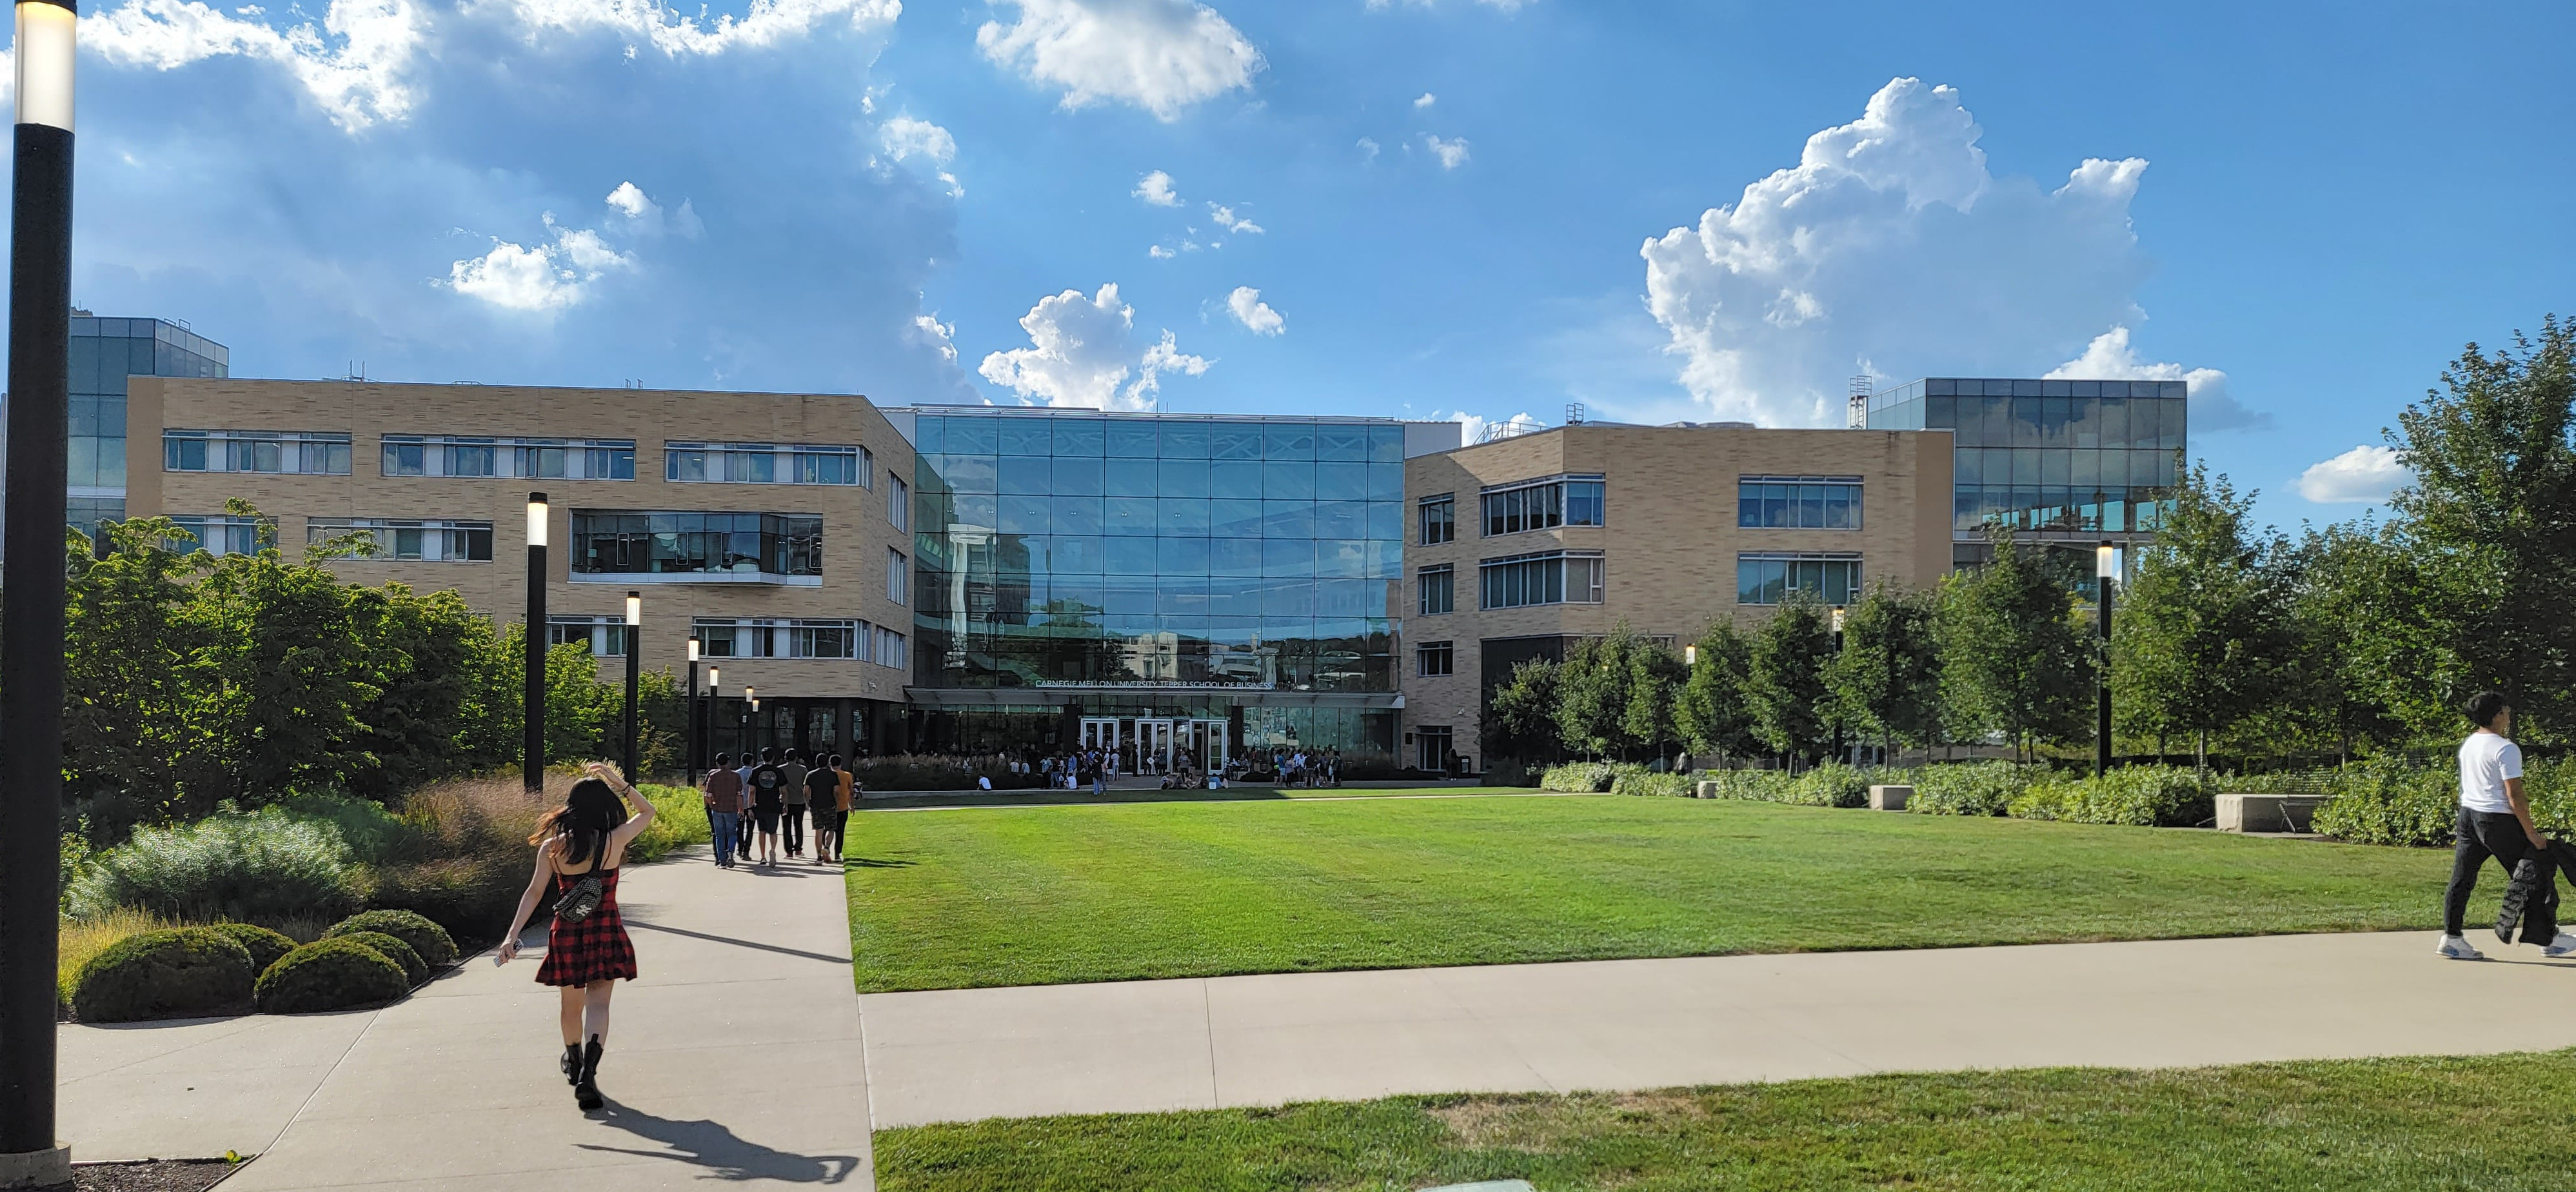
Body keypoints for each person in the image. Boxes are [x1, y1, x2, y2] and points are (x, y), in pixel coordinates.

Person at [499, 762, 656, 1111]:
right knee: (599, 1005)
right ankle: (589, 1074)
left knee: (571, 1007)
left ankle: (573, 1061)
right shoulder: (615, 840)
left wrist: (512, 936)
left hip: (569, 933)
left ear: (572, 806)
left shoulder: (553, 848)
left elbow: (535, 892)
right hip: (606, 929)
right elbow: (648, 812)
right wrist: (620, 782)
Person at [2439, 691, 2576, 959]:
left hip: (2469, 816)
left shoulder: (2471, 743)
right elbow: (2515, 797)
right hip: (2497, 821)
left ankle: (2452, 938)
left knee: (2462, 879)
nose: (2509, 715)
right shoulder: (2505, 748)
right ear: (2497, 716)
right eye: (2506, 711)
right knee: (2535, 875)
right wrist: (2532, 834)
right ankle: (2551, 940)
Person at [700, 753, 742, 870]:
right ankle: (730, 851)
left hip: (717, 809)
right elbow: (739, 794)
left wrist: (711, 805)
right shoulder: (736, 776)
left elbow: (707, 795)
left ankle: (722, 862)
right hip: (731, 808)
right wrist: (741, 809)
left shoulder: (713, 776)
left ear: (717, 763)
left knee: (719, 835)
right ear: (728, 763)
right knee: (732, 833)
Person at [747, 748, 787, 867]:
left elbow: (752, 791)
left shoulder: (756, 771)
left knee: (762, 831)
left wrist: (750, 807)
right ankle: (773, 850)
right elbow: (784, 791)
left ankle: (763, 856)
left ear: (761, 757)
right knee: (773, 831)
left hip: (760, 805)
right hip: (774, 805)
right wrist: (785, 804)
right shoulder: (778, 772)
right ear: (773, 758)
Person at [804, 755, 842, 865]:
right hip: (830, 805)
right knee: (831, 829)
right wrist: (837, 802)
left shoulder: (810, 775)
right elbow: (836, 791)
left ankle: (819, 857)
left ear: (816, 763)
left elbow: (806, 791)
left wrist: (808, 803)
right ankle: (826, 847)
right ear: (827, 763)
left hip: (816, 806)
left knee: (819, 831)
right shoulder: (833, 775)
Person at [780, 750, 811, 859]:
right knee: (798, 825)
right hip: (799, 801)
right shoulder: (803, 769)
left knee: (786, 827)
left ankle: (789, 851)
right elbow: (805, 786)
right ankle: (798, 849)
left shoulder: (781, 769)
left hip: (785, 801)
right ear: (796, 758)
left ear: (785, 757)